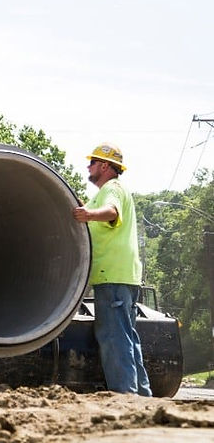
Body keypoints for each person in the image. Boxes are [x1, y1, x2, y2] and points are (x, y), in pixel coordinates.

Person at [72, 144, 150, 396]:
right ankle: (142, 395)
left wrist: (89, 214)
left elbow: (111, 212)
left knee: (113, 337)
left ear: (105, 166)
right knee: (127, 336)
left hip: (112, 276)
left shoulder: (112, 188)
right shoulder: (108, 192)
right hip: (123, 276)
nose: (88, 166)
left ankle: (125, 395)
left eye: (92, 162)